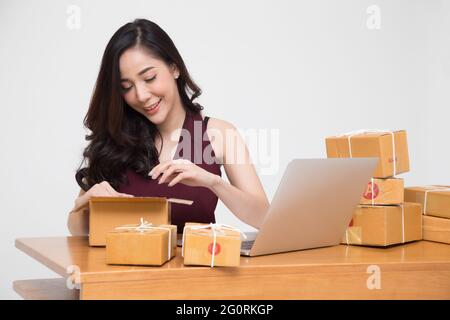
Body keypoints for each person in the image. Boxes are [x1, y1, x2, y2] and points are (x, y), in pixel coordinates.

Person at [67, 18, 269, 235]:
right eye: (126, 87)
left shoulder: (219, 134)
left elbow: (263, 218)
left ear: (174, 67)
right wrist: (85, 204)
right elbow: (77, 231)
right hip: (124, 267)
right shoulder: (114, 139)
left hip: (195, 267)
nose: (142, 96)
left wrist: (213, 182)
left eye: (149, 78)